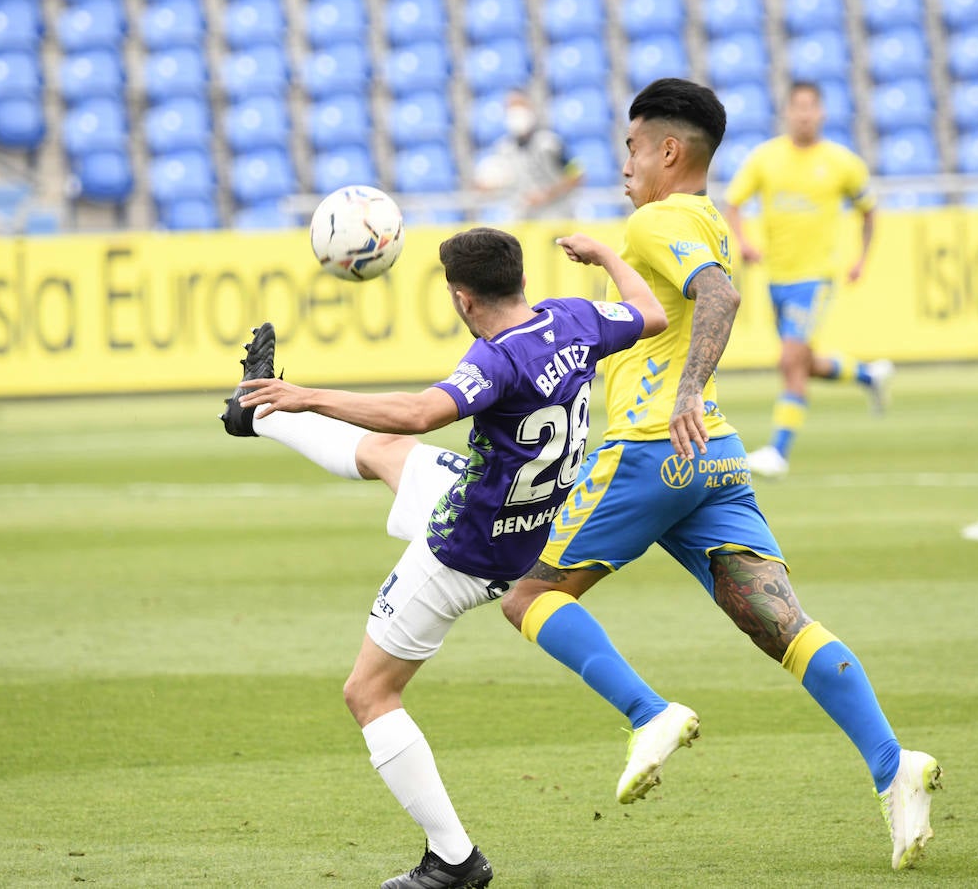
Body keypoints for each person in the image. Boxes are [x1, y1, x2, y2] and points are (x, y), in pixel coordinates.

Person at [498, 78, 943, 871]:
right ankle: (892, 765)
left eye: (633, 145)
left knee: (528, 595)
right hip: (714, 458)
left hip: (648, 448)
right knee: (782, 624)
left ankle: (648, 712)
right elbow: (684, 297)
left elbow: (719, 295)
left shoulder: (660, 216)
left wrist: (689, 388)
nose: (624, 159)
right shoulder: (702, 217)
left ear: (669, 150)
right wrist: (605, 258)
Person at [220, 226, 668, 889]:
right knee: (379, 455)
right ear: (520, 280)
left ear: (462, 299)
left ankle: (454, 859)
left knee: (369, 693)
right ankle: (259, 409)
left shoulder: (497, 360)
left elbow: (418, 411)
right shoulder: (573, 319)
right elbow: (653, 314)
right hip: (518, 520)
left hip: (462, 549)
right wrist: (605, 257)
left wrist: (311, 393)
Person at [721, 81, 894, 479]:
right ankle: (870, 375)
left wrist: (860, 259)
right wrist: (743, 243)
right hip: (776, 277)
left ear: (821, 113)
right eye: (796, 107)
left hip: (815, 277)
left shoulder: (841, 162)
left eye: (810, 107)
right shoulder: (766, 158)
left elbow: (869, 211)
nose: (803, 114)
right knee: (802, 361)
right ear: (787, 112)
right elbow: (733, 203)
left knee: (789, 361)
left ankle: (778, 451)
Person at [473, 90, 585, 221]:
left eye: (519, 105)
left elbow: (577, 174)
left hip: (555, 218)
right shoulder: (504, 148)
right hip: (523, 220)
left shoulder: (550, 142)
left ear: (530, 108)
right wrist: (487, 187)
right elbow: (499, 182)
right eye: (510, 107)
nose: (515, 112)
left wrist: (546, 195)